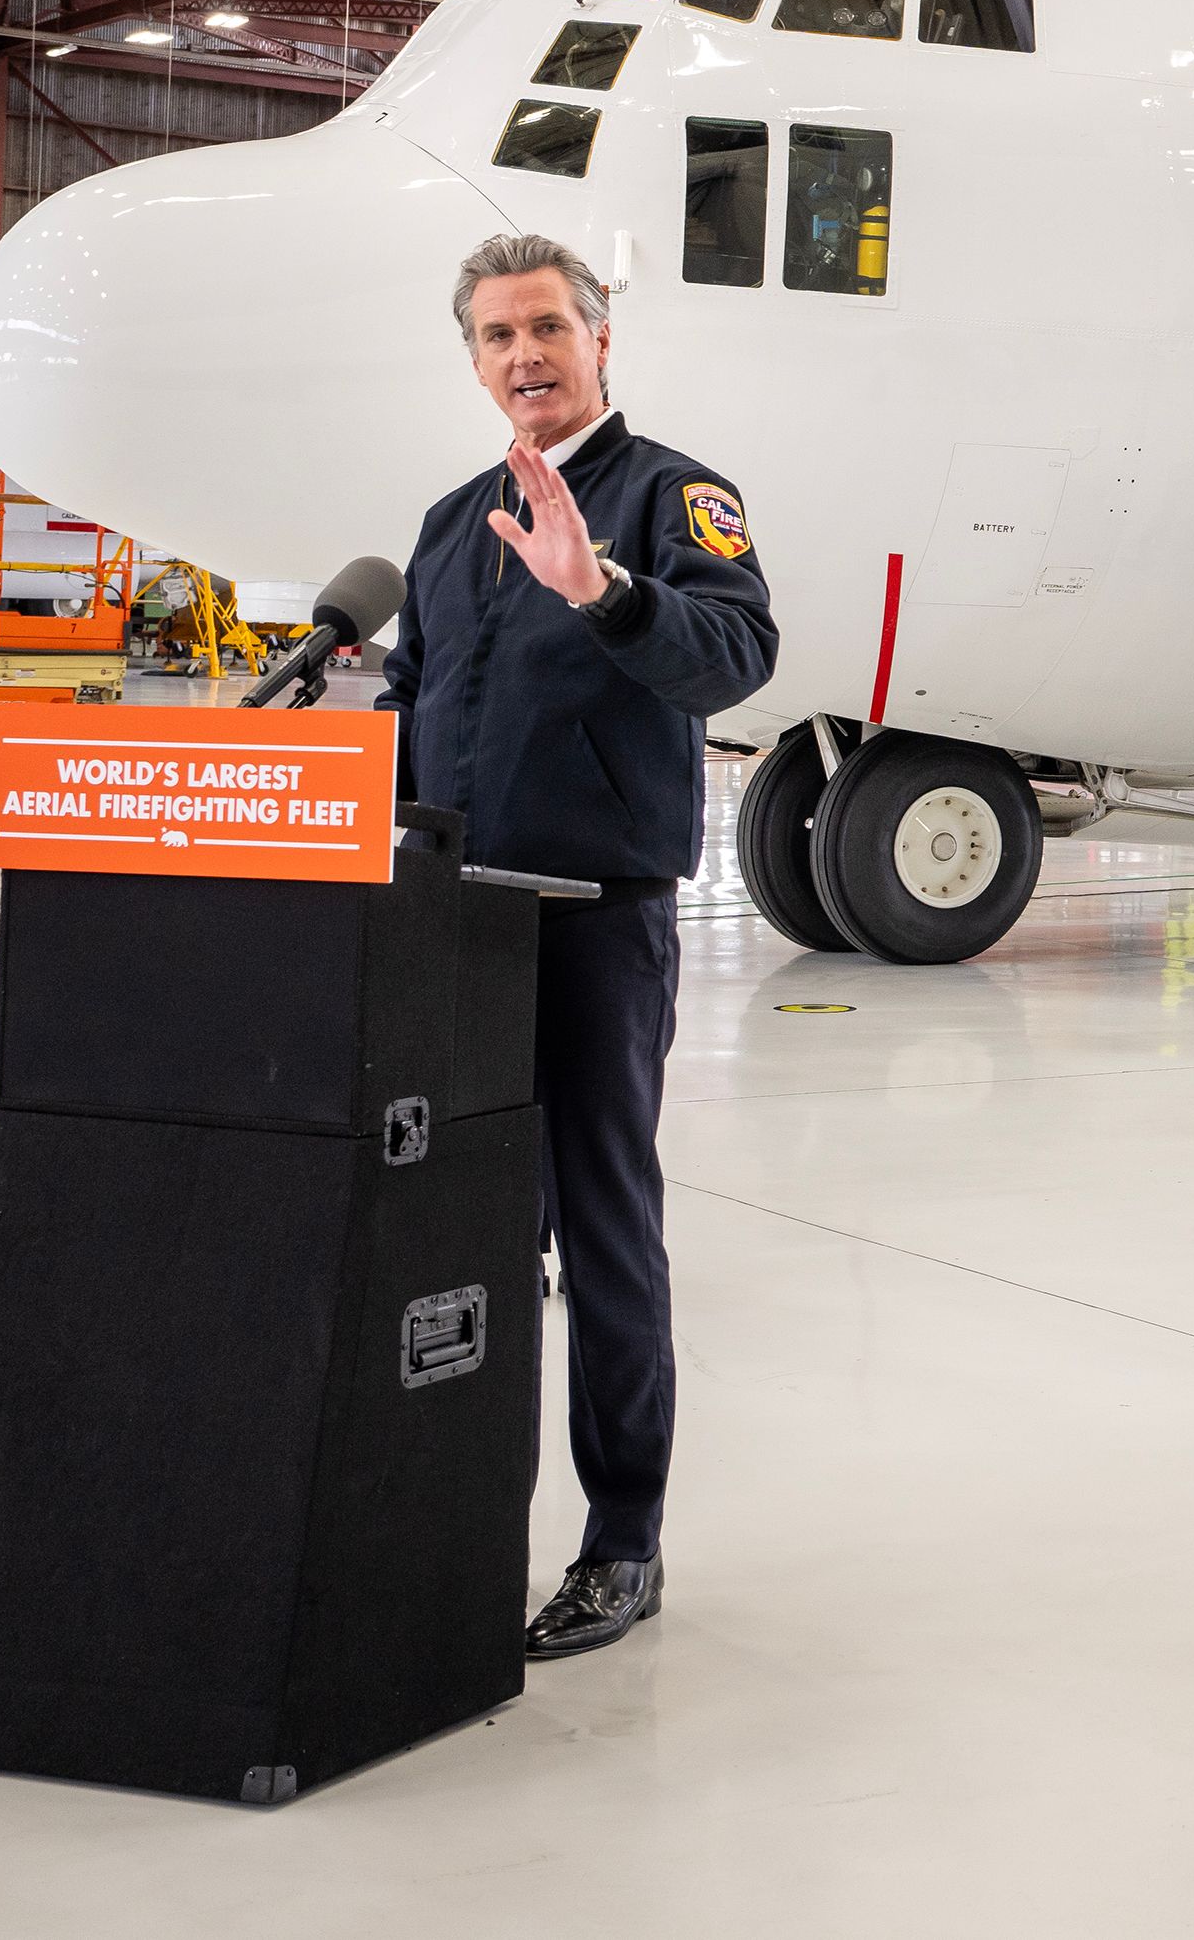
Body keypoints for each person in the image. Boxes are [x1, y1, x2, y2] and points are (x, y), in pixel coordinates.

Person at [382, 231, 777, 1659]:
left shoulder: (677, 493)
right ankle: (451, 1509)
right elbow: (408, 708)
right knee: (461, 1233)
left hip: (596, 929)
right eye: (496, 335)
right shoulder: (446, 521)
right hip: (451, 928)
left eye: (547, 325)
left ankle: (623, 1541)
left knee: (603, 1232)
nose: (524, 355)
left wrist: (602, 591)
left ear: (602, 337)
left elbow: (737, 655)